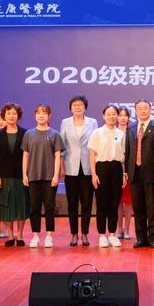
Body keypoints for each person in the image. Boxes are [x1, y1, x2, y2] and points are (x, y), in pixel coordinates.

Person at [125, 99, 154, 249]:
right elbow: (128, 151)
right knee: (138, 207)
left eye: (145, 108)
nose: (142, 111)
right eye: (139, 108)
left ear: (150, 110)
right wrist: (126, 171)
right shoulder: (130, 129)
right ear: (135, 111)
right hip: (134, 172)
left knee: (152, 207)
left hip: (151, 172)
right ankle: (141, 238)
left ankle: (152, 238)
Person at [22, 104, 64, 248]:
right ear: (35, 115)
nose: (41, 115)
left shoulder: (54, 134)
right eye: (38, 113)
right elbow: (25, 156)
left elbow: (57, 156)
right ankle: (35, 236)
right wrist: (24, 174)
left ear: (49, 116)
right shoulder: (29, 134)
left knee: (49, 207)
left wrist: (55, 175)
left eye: (44, 113)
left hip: (49, 176)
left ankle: (49, 236)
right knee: (34, 207)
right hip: (33, 175)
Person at [60, 95, 98, 246]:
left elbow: (95, 145)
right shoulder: (65, 122)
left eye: (80, 105)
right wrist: (61, 167)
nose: (77, 107)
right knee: (72, 203)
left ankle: (85, 234)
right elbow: (62, 146)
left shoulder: (92, 122)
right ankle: (74, 234)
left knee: (87, 203)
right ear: (70, 108)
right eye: (75, 105)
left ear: (85, 107)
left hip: (88, 167)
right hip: (70, 167)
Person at [88, 105, 125, 248]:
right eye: (108, 114)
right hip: (101, 168)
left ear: (117, 116)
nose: (111, 117)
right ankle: (102, 235)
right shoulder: (97, 133)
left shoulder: (121, 134)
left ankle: (112, 235)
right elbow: (92, 155)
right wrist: (93, 174)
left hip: (116, 168)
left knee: (114, 203)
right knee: (102, 203)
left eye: (114, 114)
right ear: (103, 116)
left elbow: (123, 158)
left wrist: (123, 174)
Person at [0, 103, 30, 247]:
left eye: (14, 113)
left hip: (21, 175)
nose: (11, 116)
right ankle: (10, 235)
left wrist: (26, 174)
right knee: (7, 206)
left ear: (18, 116)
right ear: (4, 115)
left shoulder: (25, 133)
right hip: (4, 176)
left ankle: (19, 235)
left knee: (21, 205)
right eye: (8, 113)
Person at [116, 106, 133, 239]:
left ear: (128, 118)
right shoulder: (113, 131)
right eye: (120, 115)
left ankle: (127, 229)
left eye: (125, 115)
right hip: (116, 168)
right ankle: (119, 228)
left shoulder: (132, 132)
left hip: (130, 170)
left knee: (128, 201)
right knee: (117, 201)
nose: (122, 118)